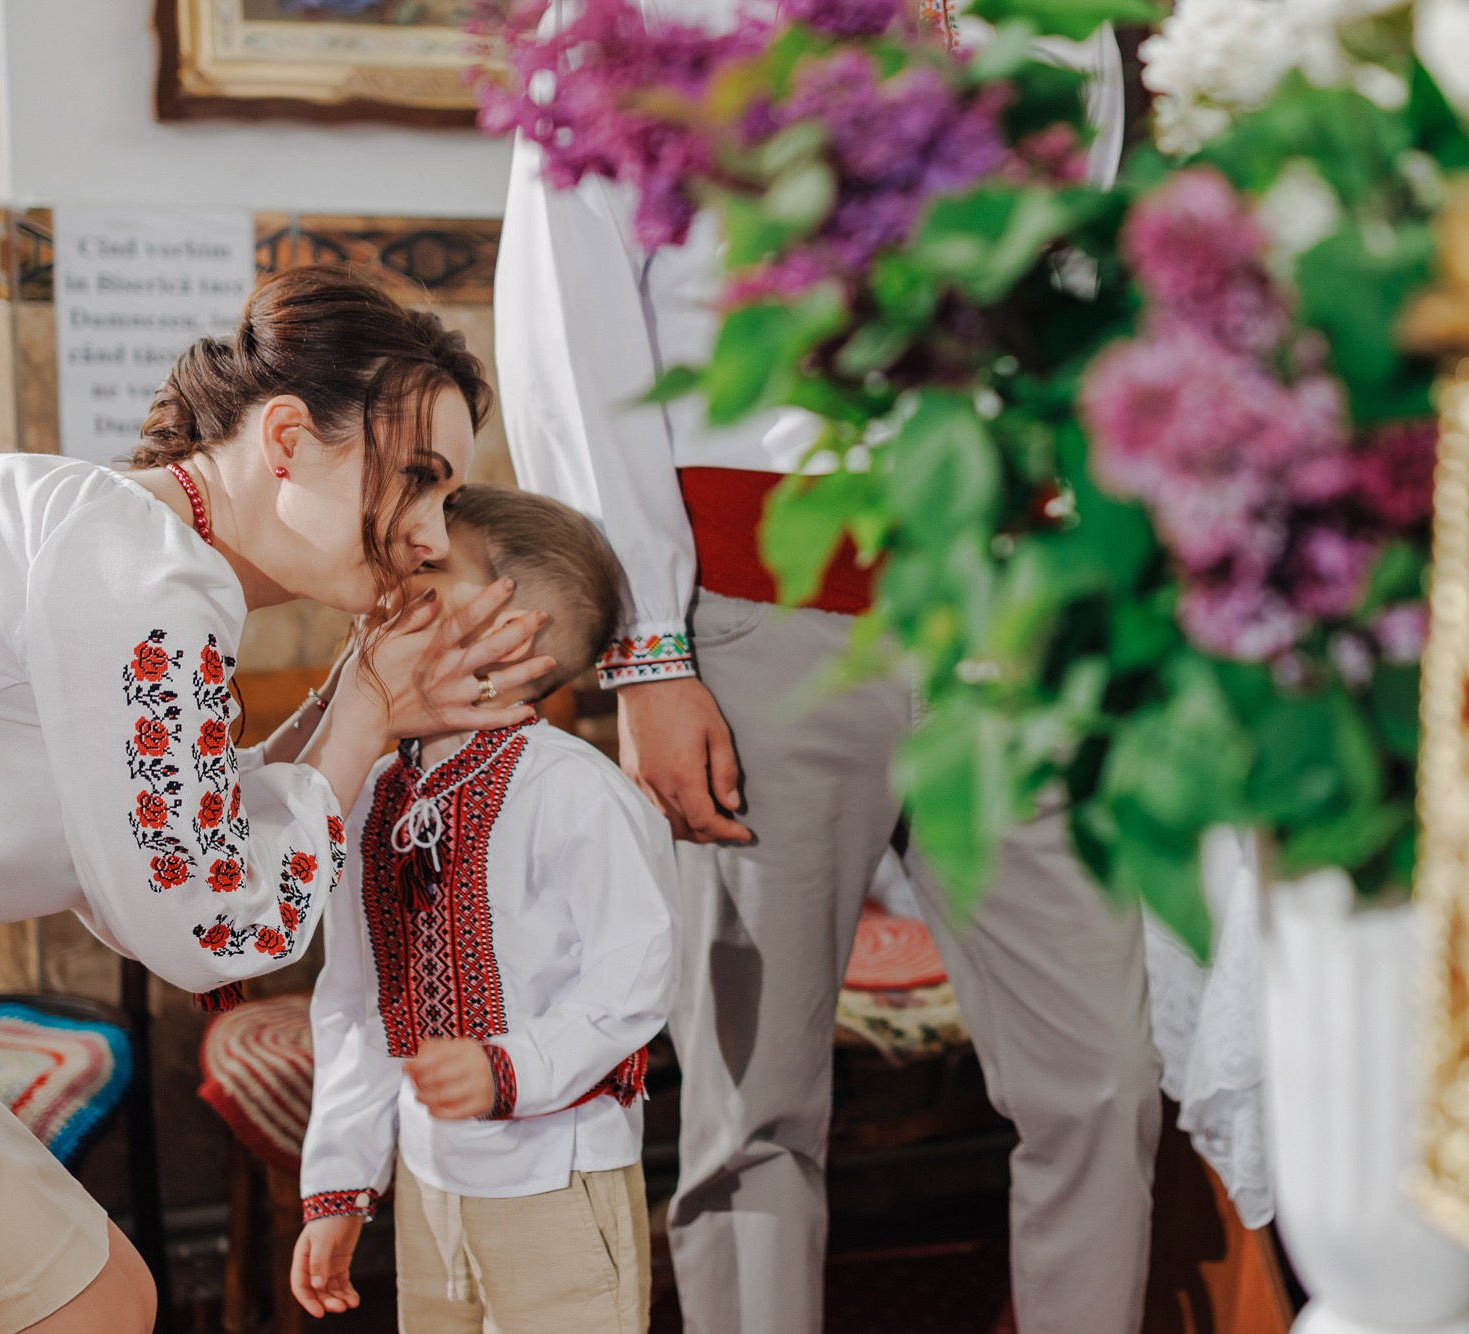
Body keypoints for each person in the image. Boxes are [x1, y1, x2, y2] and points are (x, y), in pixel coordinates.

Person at [0, 266, 556, 1334]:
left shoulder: (106, 532)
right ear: (286, 439)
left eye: (447, 500)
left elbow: (173, 830)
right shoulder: (143, 575)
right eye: (416, 477)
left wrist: (360, 699)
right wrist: (366, 713)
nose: (427, 533)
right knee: (91, 1300)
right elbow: (211, 921)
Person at [491, 19, 1163, 1334]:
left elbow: (1066, 283)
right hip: (752, 619)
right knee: (756, 1106)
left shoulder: (1055, 24)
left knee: (1105, 1078)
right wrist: (647, 653)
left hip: (1001, 617)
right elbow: (570, 330)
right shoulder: (632, 25)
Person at [292, 485, 676, 1334]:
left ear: (515, 634)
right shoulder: (374, 794)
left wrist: (511, 1066)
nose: (398, 577)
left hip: (557, 1177)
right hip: (432, 1184)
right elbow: (358, 1005)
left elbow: (634, 982)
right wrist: (343, 1180)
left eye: (432, 566)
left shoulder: (576, 792)